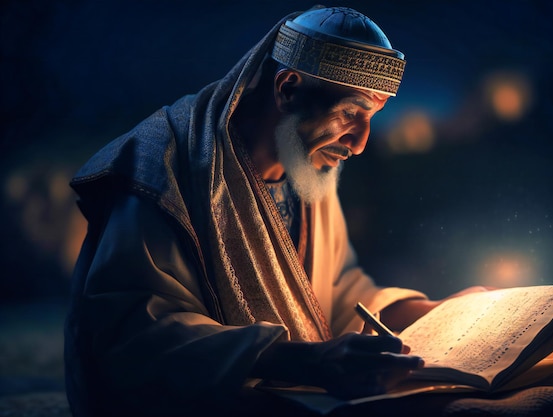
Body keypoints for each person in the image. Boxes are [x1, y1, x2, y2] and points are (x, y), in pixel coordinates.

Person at [64, 5, 490, 417]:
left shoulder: (307, 169)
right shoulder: (164, 168)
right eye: (349, 114)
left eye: (372, 117)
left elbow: (334, 297)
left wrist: (439, 312)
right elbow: (131, 339)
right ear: (288, 89)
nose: (360, 143)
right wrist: (300, 361)